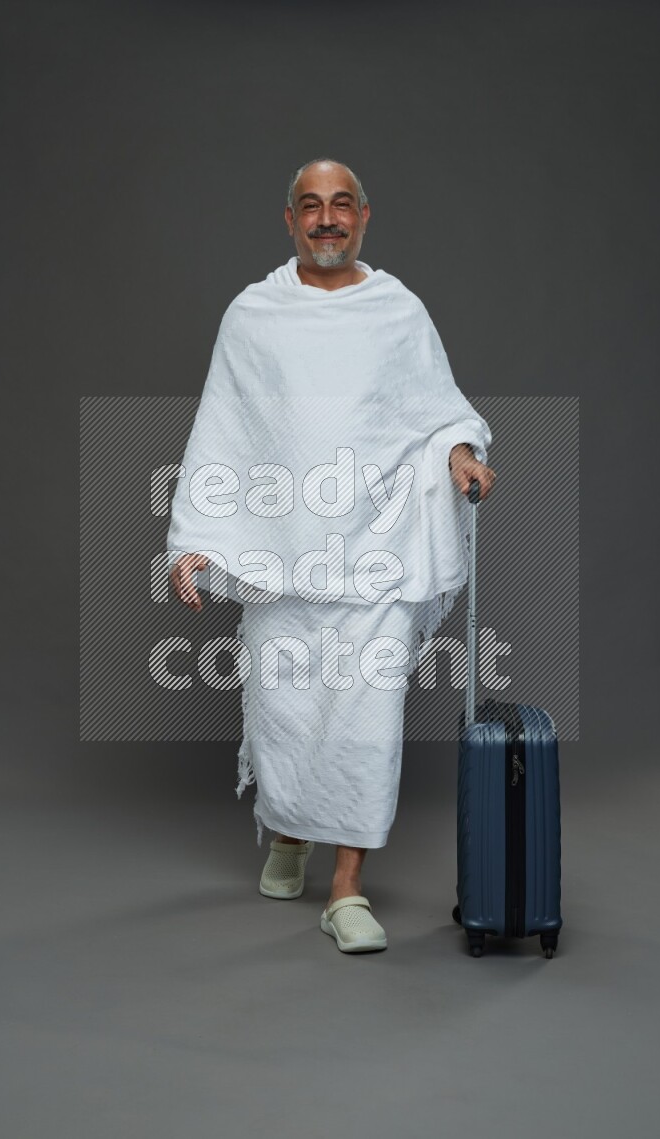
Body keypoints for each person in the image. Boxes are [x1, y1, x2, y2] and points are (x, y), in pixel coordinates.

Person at [168, 157, 496, 953]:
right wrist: (194, 538)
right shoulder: (252, 315)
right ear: (289, 220)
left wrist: (458, 452)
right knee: (284, 711)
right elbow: (223, 427)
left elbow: (438, 408)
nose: (326, 219)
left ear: (364, 216)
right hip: (284, 552)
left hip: (379, 549)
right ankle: (288, 831)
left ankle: (346, 884)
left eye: (340, 205)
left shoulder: (398, 312)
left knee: (365, 718)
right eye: (310, 206)